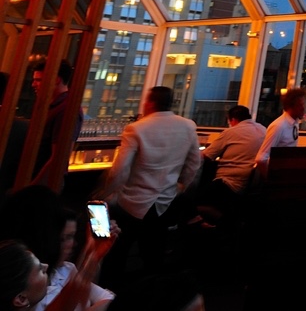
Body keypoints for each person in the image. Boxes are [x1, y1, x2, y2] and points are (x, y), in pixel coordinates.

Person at [98, 86, 201, 289]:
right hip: (164, 203)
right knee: (154, 256)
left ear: (151, 102)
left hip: (132, 202)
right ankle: (150, 298)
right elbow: (194, 163)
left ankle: (108, 296)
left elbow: (120, 170)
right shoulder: (187, 126)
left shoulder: (136, 128)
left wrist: (106, 193)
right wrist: (180, 186)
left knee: (116, 254)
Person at [42, 210, 115, 311]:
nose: (73, 244)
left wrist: (92, 252)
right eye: (65, 238)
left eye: (72, 236)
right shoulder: (34, 288)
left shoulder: (66, 269)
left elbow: (108, 297)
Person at [30, 60, 81, 187]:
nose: (33, 84)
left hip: (43, 186)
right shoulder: (48, 105)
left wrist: (31, 188)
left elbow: (59, 157)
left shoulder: (67, 109)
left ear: (56, 80)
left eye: (38, 80)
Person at [201, 105, 265, 196]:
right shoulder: (263, 129)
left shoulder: (231, 132)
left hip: (228, 184)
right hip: (251, 184)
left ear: (233, 119)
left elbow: (206, 155)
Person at [254, 87, 306, 171]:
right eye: (300, 105)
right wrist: (271, 180)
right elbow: (261, 159)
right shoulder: (279, 126)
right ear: (290, 107)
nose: (304, 108)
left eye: (304, 105)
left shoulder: (294, 123)